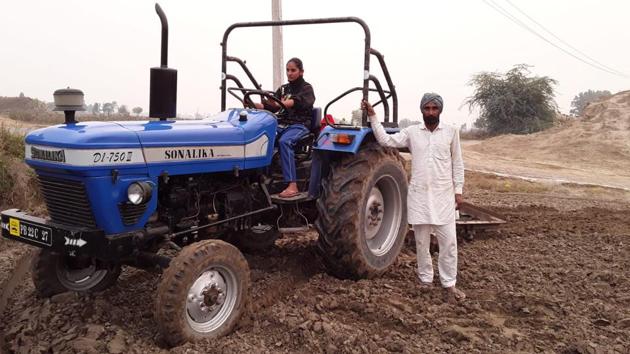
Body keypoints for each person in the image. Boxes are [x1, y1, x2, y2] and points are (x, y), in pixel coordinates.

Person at [362, 93, 466, 301]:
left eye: (434, 109)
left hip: (443, 195)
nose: (430, 112)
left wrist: (459, 190)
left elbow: (457, 163)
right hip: (419, 195)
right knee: (421, 242)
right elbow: (386, 140)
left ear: (440, 110)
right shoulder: (412, 132)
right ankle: (425, 280)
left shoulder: (451, 132)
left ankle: (449, 284)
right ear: (422, 110)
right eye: (426, 109)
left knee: (449, 243)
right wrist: (373, 116)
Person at [254, 57, 315, 198]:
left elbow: (297, 102)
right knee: (262, 138)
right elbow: (271, 106)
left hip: (299, 125)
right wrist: (256, 105)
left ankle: (292, 185)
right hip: (281, 124)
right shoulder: (283, 89)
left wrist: (280, 104)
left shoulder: (306, 88)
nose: (289, 73)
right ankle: (261, 180)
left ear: (301, 72)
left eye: (293, 70)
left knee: (285, 142)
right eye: (288, 70)